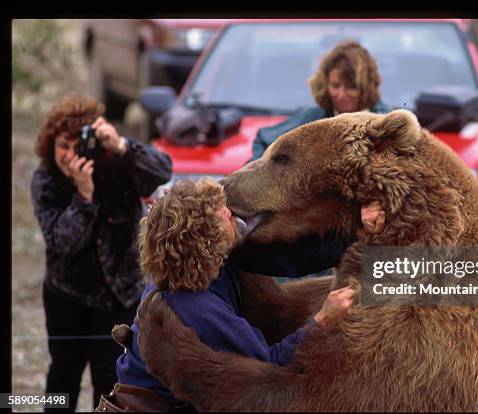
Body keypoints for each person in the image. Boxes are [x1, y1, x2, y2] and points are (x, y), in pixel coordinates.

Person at [96, 179, 384, 412]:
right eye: (219, 213)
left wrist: (356, 228)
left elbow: (289, 257)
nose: (228, 211)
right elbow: (269, 364)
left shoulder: (201, 265)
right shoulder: (197, 308)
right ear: (204, 237)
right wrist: (322, 320)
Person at [31, 93, 172, 412]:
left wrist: (122, 146)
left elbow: (162, 171)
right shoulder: (46, 180)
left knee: (110, 378)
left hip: (118, 295)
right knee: (62, 375)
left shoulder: (116, 163)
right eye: (61, 148)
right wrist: (84, 197)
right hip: (67, 293)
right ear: (50, 147)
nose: (69, 156)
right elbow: (62, 241)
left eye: (75, 146)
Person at [250, 40, 391, 161]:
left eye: (351, 87)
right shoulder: (313, 118)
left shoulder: (385, 124)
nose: (341, 94)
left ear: (366, 87)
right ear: (325, 83)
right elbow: (264, 139)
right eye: (335, 86)